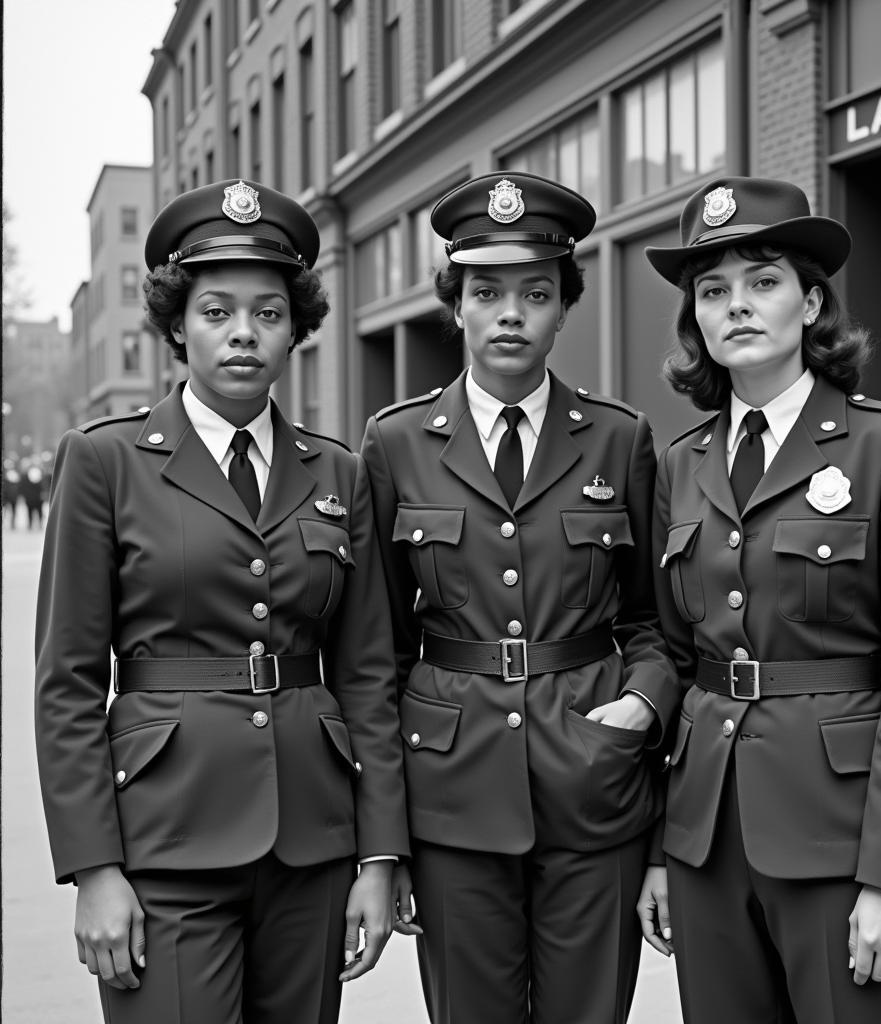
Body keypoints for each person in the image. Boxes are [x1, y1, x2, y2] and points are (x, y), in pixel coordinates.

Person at [35, 179, 409, 1024]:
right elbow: (64, 681)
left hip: (311, 841)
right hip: (165, 841)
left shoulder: (339, 473)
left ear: (296, 328)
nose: (244, 332)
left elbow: (368, 671)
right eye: (216, 311)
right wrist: (94, 870)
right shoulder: (106, 462)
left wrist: (380, 855)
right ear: (177, 324)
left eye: (269, 313)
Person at [636, 176, 881, 1024]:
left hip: (843, 843)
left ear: (812, 302)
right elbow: (679, 660)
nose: (736, 307)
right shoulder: (677, 466)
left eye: (763, 282)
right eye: (713, 291)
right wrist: (662, 855)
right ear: (696, 321)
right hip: (710, 845)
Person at [360, 171, 677, 1024]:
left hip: (594, 783)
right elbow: (376, 653)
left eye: (535, 293)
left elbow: (654, 622)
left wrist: (644, 705)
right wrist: (385, 843)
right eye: (487, 291)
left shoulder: (620, 437)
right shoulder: (395, 444)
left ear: (564, 308)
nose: (510, 313)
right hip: (452, 793)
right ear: (454, 304)